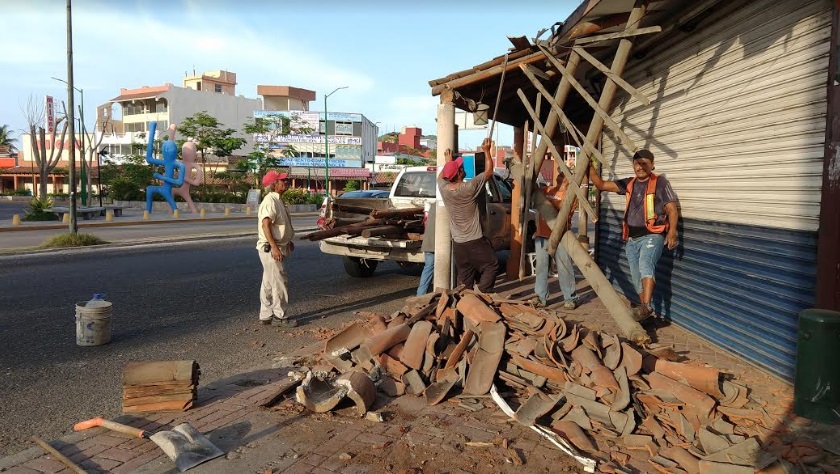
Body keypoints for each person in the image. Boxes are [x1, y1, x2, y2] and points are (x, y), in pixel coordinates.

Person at [588, 149, 678, 321]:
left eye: (645, 163)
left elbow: (672, 209)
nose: (640, 167)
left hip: (653, 235)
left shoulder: (660, 182)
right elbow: (600, 184)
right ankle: (645, 314)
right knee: (637, 277)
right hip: (632, 239)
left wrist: (672, 232)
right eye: (637, 163)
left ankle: (645, 307)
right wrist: (588, 165)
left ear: (652, 165)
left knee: (646, 264)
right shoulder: (629, 183)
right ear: (633, 165)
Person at [437, 138, 498, 293]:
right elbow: (489, 172)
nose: (463, 168)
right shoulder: (469, 187)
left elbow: (442, 177)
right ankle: (481, 293)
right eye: (461, 167)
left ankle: (463, 306)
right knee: (491, 265)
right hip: (475, 241)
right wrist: (486, 151)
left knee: (464, 278)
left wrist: (448, 162)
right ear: (459, 173)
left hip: (458, 243)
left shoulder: (444, 189)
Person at [531, 173, 579, 310]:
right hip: (542, 235)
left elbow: (565, 214)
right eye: (559, 175)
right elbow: (532, 188)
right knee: (541, 268)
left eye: (564, 176)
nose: (560, 177)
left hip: (561, 236)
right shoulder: (546, 190)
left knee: (565, 267)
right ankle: (540, 297)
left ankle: (570, 297)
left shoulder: (570, 197)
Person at [257, 169, 297, 327]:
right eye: (282, 180)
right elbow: (265, 225)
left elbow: (278, 226)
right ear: (274, 185)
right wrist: (274, 247)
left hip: (277, 246)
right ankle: (280, 316)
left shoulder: (278, 200)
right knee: (280, 281)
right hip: (270, 248)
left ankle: (266, 315)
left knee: (268, 282)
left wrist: (287, 240)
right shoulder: (270, 201)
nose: (285, 182)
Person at [416, 202, 436, 296]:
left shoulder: (433, 206)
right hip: (438, 244)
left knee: (428, 269)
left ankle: (420, 296)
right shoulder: (446, 206)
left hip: (428, 243)